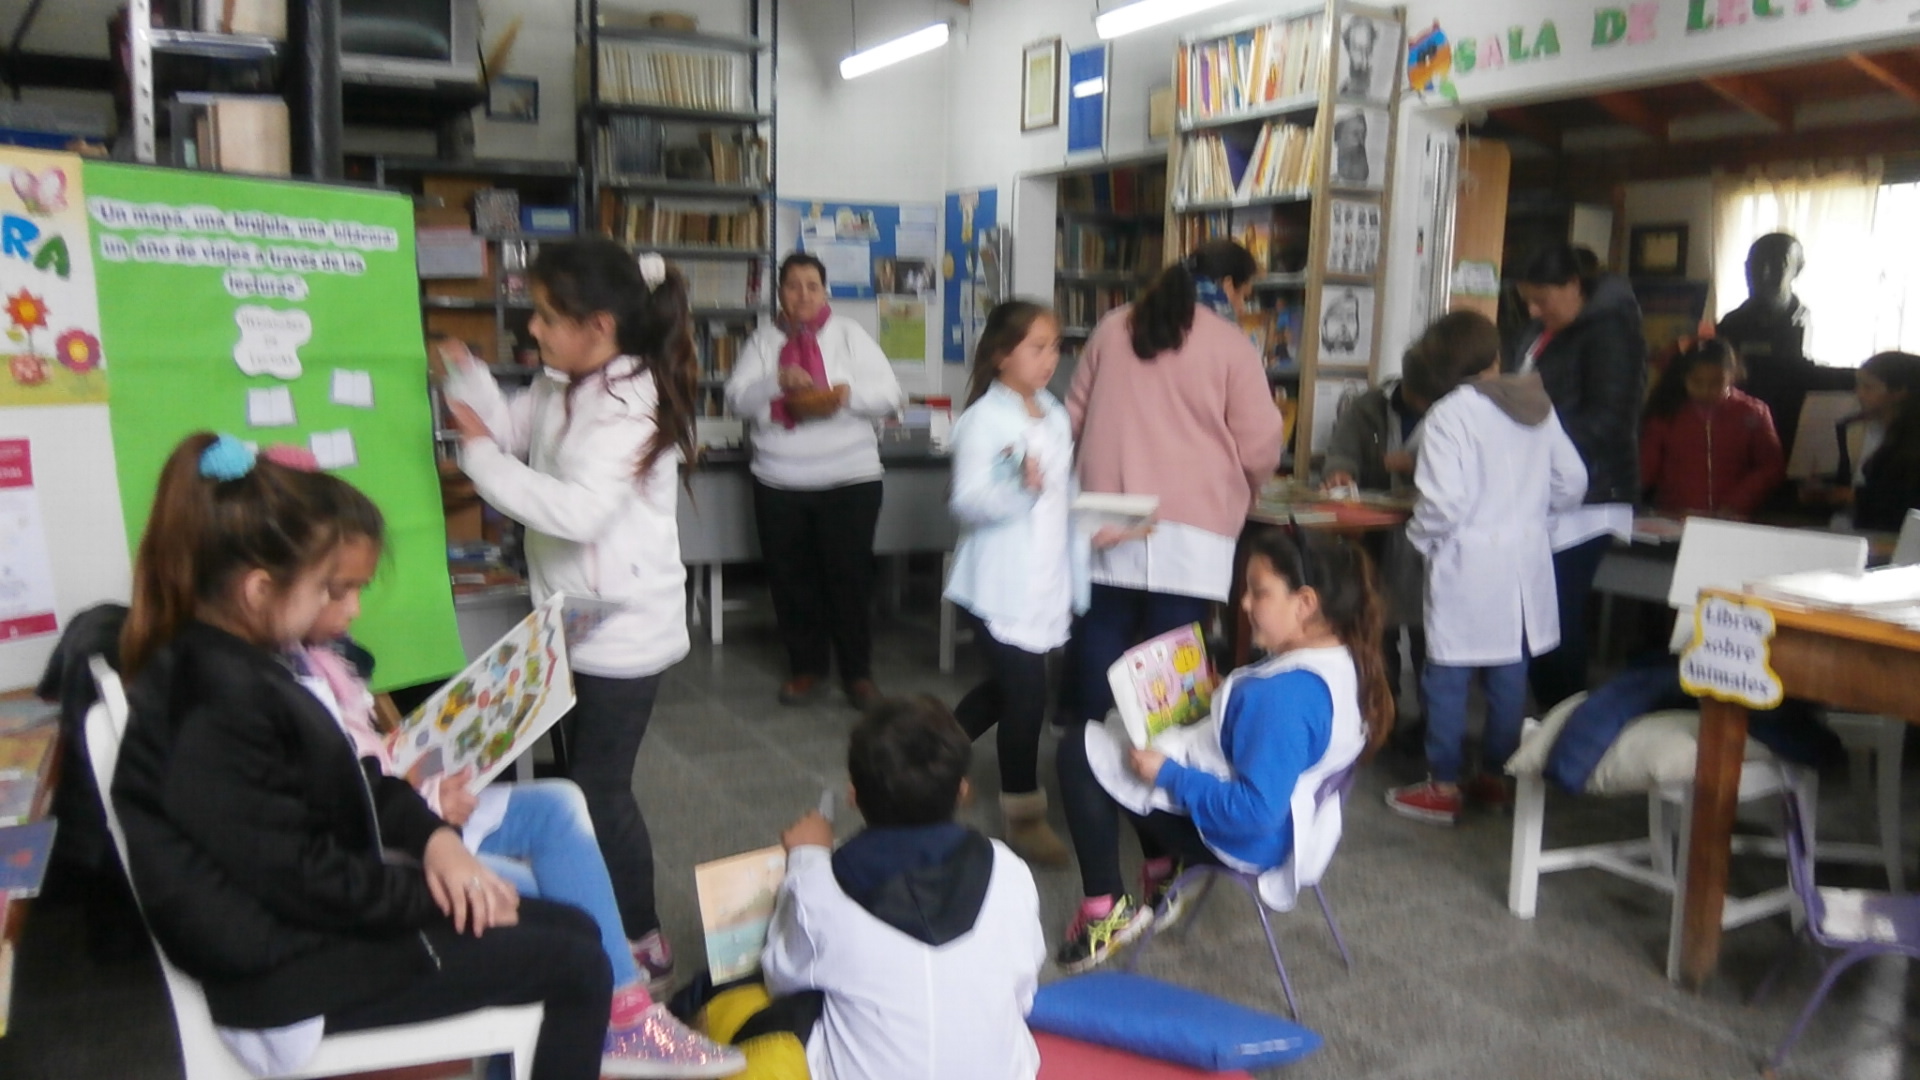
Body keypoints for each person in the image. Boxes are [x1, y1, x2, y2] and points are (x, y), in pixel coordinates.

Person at [111, 433, 611, 1080]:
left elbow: (357, 783)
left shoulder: (242, 665)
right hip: (289, 978)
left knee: (574, 930)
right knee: (579, 965)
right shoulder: (216, 700)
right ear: (259, 590)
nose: (339, 607)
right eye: (325, 588)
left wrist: (435, 841)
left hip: (312, 936)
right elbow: (306, 882)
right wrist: (435, 895)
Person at [299, 483, 743, 1077]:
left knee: (560, 804)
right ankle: (606, 1018)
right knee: (551, 905)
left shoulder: (302, 662)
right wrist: (427, 813)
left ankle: (621, 1013)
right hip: (372, 866)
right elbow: (342, 806)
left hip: (393, 823)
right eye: (339, 590)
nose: (354, 609)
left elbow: (360, 774)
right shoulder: (272, 692)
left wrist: (424, 790)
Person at [439, 238, 697, 993]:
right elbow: (511, 429)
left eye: (549, 317)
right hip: (570, 620)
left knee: (599, 789)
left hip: (625, 632)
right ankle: (591, 905)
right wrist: (469, 379)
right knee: (576, 781)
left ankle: (643, 937)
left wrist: (480, 457)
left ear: (601, 326)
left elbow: (577, 512)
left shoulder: (628, 406)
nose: (534, 330)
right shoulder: (561, 382)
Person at [1054, 529, 1393, 972]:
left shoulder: (1283, 699)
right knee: (1128, 735)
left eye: (1259, 592)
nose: (1244, 603)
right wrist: (1221, 703)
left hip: (1245, 838)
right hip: (1297, 827)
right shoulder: (1344, 659)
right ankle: (1164, 872)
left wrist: (1168, 775)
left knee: (1079, 752)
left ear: (1306, 602)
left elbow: (1255, 811)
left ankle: (1106, 910)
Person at [754, 696, 1047, 1080]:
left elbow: (780, 977)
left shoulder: (819, 888)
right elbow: (1024, 992)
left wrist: (806, 859)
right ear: (962, 791)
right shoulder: (1009, 870)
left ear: (854, 796)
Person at [1067, 238, 1286, 729]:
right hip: (1191, 519)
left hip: (1109, 506)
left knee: (1102, 628)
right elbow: (1261, 443)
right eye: (1244, 294)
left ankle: (1085, 747)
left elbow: (1072, 419)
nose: (1243, 306)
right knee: (1172, 651)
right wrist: (1251, 484)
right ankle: (1159, 760)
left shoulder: (1112, 328)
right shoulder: (1231, 345)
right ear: (1227, 286)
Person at [1388, 312, 1587, 826]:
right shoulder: (1535, 406)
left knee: (1447, 678)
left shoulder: (1449, 415)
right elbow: (1573, 482)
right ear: (1495, 357)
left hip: (1468, 564)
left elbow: (1443, 504)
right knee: (1508, 677)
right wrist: (1530, 516)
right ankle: (1495, 778)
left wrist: (1419, 538)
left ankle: (1443, 784)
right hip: (1523, 565)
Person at [726, 253, 905, 711]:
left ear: (825, 291)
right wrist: (775, 382)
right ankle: (806, 668)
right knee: (791, 581)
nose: (803, 294)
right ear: (780, 294)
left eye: (812, 285)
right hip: (779, 481)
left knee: (850, 579)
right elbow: (736, 400)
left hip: (850, 479)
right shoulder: (763, 341)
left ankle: (858, 674)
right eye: (793, 286)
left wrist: (844, 395)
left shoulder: (849, 334)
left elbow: (890, 394)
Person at [944, 300, 1089, 868]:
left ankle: (932, 755)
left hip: (1046, 579)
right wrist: (1018, 489)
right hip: (998, 585)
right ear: (1003, 355)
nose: (1050, 359)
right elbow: (965, 502)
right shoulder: (983, 419)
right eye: (1037, 347)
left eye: (1055, 347)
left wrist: (1100, 524)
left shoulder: (1053, 413)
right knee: (1026, 696)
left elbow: (1064, 494)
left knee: (1007, 691)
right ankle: (1024, 816)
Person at [1511, 243, 1645, 711]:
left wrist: (1532, 442)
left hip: (1592, 494)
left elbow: (1610, 420)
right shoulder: (1542, 330)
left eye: (1541, 299)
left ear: (1573, 286)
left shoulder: (1612, 331)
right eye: (1527, 301)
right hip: (1545, 490)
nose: (1533, 310)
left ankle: (1566, 719)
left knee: (1558, 615)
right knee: (1538, 615)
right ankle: (1550, 717)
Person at [1324, 349, 1434, 731]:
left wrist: (1416, 464)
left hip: (1429, 539)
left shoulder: (1453, 411)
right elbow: (1342, 451)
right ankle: (1382, 716)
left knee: (1427, 637)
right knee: (1376, 628)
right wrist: (1341, 472)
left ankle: (1430, 722)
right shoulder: (1369, 408)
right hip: (1377, 538)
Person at [1714, 233, 1852, 458]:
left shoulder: (1803, 319)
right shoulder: (1730, 324)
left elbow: (1810, 373)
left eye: (1778, 264)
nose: (1763, 273)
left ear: (1797, 270)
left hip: (1796, 429)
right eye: (1756, 264)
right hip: (1739, 431)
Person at [1639, 338, 1784, 520]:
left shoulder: (1753, 412)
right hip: (1675, 517)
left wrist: (1738, 502)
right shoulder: (1666, 412)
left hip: (1733, 518)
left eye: (1716, 382)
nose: (1706, 389)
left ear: (1732, 376)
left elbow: (1771, 466)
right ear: (1684, 378)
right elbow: (1646, 468)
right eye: (1696, 382)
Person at [1808, 351, 1920, 531]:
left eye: (1868, 387)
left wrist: (1852, 497)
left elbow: (1904, 503)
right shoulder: (1852, 429)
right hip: (1846, 524)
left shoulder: (1911, 443)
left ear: (1899, 392)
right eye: (1858, 385)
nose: (1858, 393)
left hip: (1890, 534)